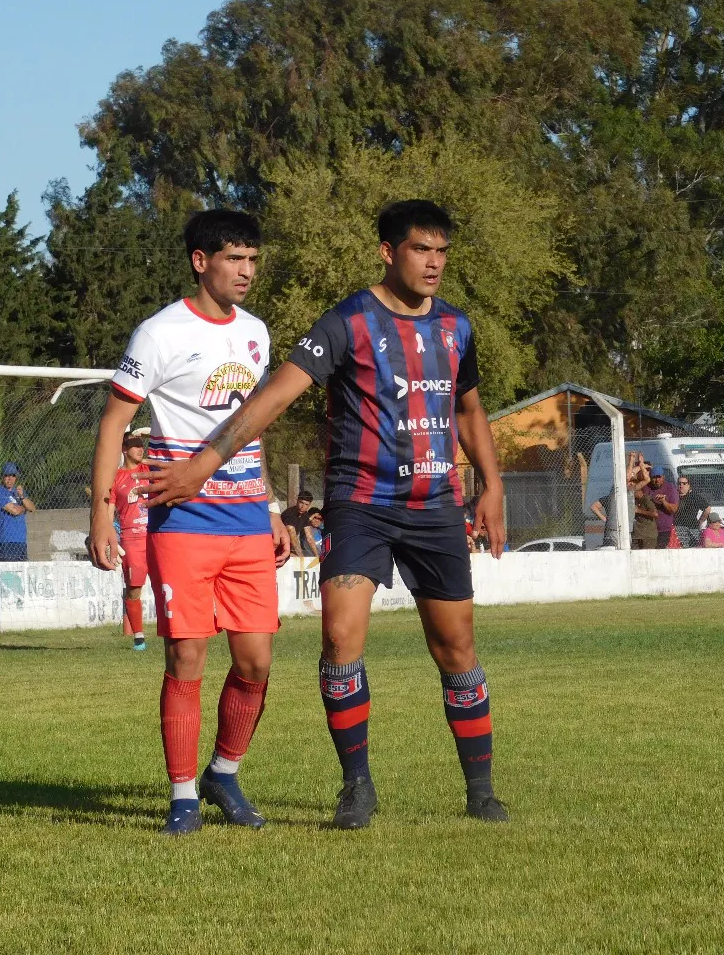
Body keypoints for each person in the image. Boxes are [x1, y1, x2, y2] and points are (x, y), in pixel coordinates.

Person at [146, 199, 509, 827]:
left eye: (442, 252)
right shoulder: (348, 322)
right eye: (421, 250)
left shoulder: (456, 327)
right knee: (340, 638)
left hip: (435, 507)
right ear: (389, 252)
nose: (434, 263)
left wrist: (493, 485)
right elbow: (271, 398)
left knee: (456, 646)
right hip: (361, 504)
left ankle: (481, 792)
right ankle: (356, 786)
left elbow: (469, 410)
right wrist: (204, 464)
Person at [87, 209, 292, 835]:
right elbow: (114, 423)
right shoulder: (159, 334)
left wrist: (272, 505)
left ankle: (224, 774)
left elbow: (251, 428)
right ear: (201, 262)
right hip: (183, 521)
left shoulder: (256, 332)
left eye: (253, 260)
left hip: (248, 520)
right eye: (235, 259)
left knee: (255, 662)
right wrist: (101, 516)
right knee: (186, 655)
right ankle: (182, 797)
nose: (247, 271)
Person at [111, 428, 152, 650]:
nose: (140, 448)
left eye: (141, 444)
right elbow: (108, 511)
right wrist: (110, 536)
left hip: (155, 535)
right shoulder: (116, 477)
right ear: (124, 450)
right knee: (134, 588)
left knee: (168, 582)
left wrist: (147, 434)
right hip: (132, 539)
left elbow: (165, 453)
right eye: (135, 445)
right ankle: (139, 637)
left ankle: (173, 629)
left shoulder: (148, 469)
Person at [0, 462, 34, 562]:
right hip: (5, 541)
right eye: (7, 475)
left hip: (21, 541)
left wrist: (22, 496)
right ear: (2, 476)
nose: (10, 478)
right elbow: (14, 511)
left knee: (21, 571)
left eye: (13, 475)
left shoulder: (19, 492)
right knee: (7, 571)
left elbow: (32, 508)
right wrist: (24, 507)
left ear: (16, 477)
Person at [646, 466, 679, 549]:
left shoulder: (670, 488)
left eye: (659, 477)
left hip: (663, 529)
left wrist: (664, 502)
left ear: (663, 477)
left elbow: (674, 509)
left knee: (660, 551)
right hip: (649, 528)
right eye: (654, 477)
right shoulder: (647, 487)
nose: (657, 480)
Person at [674, 475, 710, 548]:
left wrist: (700, 521)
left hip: (692, 527)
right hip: (677, 527)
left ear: (689, 485)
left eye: (684, 483)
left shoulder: (694, 496)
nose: (681, 486)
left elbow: (707, 509)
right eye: (679, 483)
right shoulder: (674, 495)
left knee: (693, 548)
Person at [281, 490, 315, 555]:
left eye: (306, 504)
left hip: (288, 546)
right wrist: (301, 556)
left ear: (309, 505)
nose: (303, 506)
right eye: (301, 502)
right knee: (291, 529)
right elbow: (291, 533)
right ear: (297, 501)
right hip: (279, 543)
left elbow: (309, 537)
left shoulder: (305, 515)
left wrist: (317, 557)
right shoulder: (289, 513)